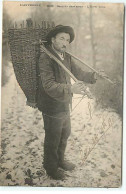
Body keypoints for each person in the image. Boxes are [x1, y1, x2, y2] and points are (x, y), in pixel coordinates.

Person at [36, 25, 104, 180]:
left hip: (65, 103)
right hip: (51, 105)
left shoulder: (66, 56)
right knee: (53, 137)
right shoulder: (46, 58)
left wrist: (94, 76)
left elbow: (78, 73)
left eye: (67, 39)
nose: (65, 42)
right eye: (61, 38)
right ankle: (51, 167)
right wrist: (72, 89)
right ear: (53, 39)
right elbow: (49, 86)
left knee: (64, 133)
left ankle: (60, 161)